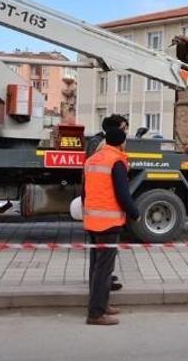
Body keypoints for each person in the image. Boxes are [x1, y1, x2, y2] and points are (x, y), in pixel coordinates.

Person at [82, 128, 140, 326]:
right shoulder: (116, 162)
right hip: (108, 222)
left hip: (92, 221)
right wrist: (135, 214)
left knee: (96, 267)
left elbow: (84, 192)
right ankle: (96, 314)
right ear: (122, 143)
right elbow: (123, 195)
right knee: (104, 269)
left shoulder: (92, 160)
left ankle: (102, 304)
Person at [84, 114, 129, 293]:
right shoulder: (104, 149)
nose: (126, 132)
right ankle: (98, 306)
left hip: (95, 213)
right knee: (102, 261)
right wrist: (133, 212)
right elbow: (119, 191)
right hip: (104, 214)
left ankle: (102, 288)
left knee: (100, 259)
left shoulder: (100, 147)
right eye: (124, 128)